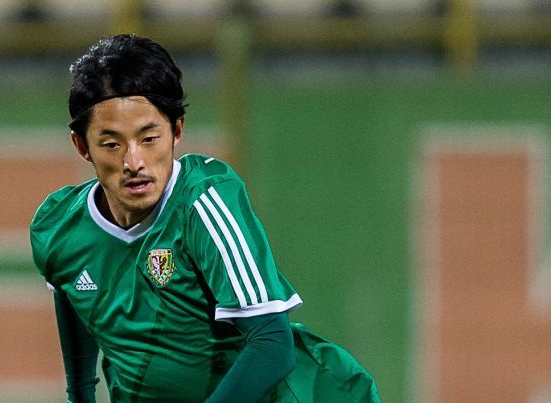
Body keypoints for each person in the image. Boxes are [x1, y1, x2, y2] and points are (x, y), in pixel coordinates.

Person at [30, 34, 380, 402]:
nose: (133, 162)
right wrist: (80, 394)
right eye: (112, 144)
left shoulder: (203, 203)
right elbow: (77, 297)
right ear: (82, 146)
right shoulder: (57, 228)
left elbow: (272, 345)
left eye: (149, 139)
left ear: (177, 131)